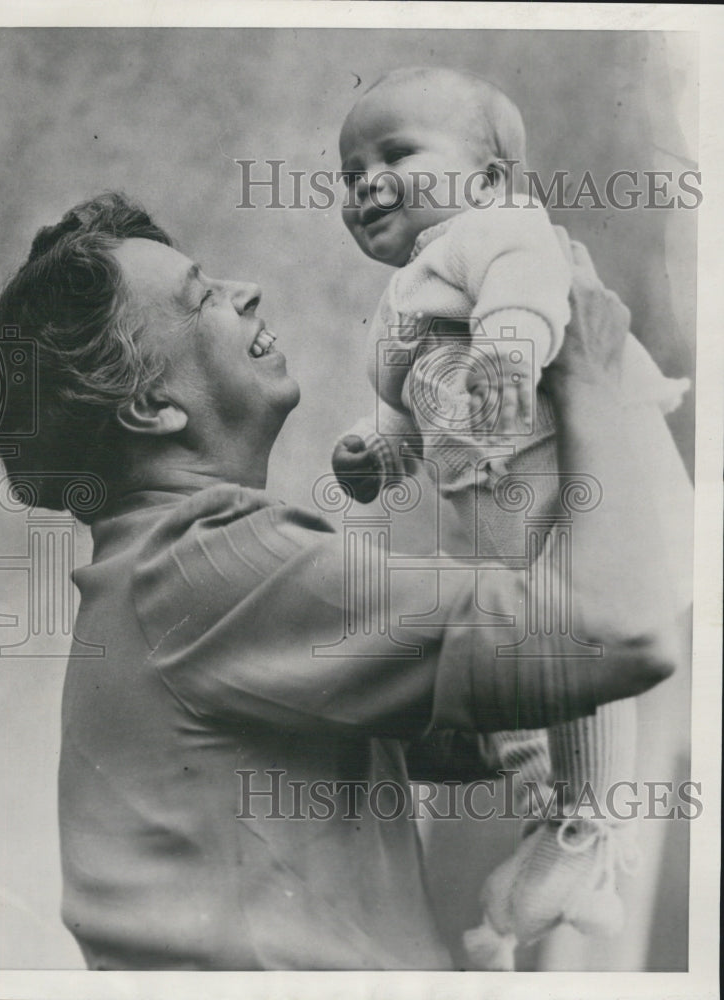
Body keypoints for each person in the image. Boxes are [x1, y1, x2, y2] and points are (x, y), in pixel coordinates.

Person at [0, 193, 683, 971]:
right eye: (202, 295)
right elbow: (620, 634)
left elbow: (483, 723)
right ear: (152, 406)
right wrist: (590, 374)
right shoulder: (206, 566)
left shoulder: (150, 581)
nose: (244, 289)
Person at [332, 67, 691, 966]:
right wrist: (375, 450)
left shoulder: (491, 233)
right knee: (518, 659)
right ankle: (554, 830)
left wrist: (505, 344)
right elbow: (400, 405)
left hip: (564, 471)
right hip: (488, 497)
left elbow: (529, 284)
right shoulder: (401, 300)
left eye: (396, 154)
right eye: (347, 171)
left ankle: (590, 823)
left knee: (572, 640)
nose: (364, 180)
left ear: (488, 181)